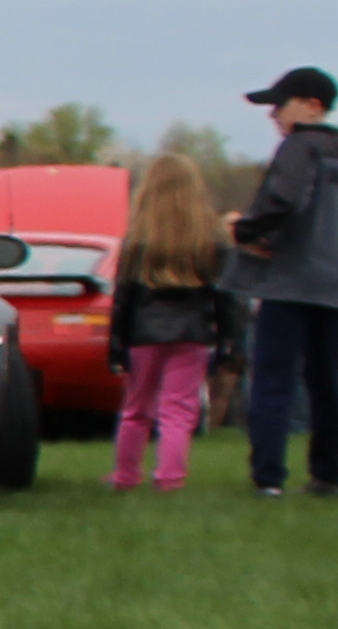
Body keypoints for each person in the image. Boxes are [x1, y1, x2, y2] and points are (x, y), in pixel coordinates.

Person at [229, 64, 338, 491]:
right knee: (328, 384)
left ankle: (269, 478)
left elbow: (283, 199)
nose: (273, 115)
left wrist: (245, 230)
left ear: (312, 106)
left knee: (273, 381)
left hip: (290, 282)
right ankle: (328, 474)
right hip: (334, 291)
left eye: (279, 105)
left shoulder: (300, 146)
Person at [107, 152, 237, 489]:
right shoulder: (209, 239)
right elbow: (226, 298)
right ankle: (170, 477)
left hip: (144, 333)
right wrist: (229, 342)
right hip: (192, 332)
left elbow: (123, 298)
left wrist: (116, 344)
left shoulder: (138, 239)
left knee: (136, 408)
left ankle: (125, 475)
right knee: (178, 408)